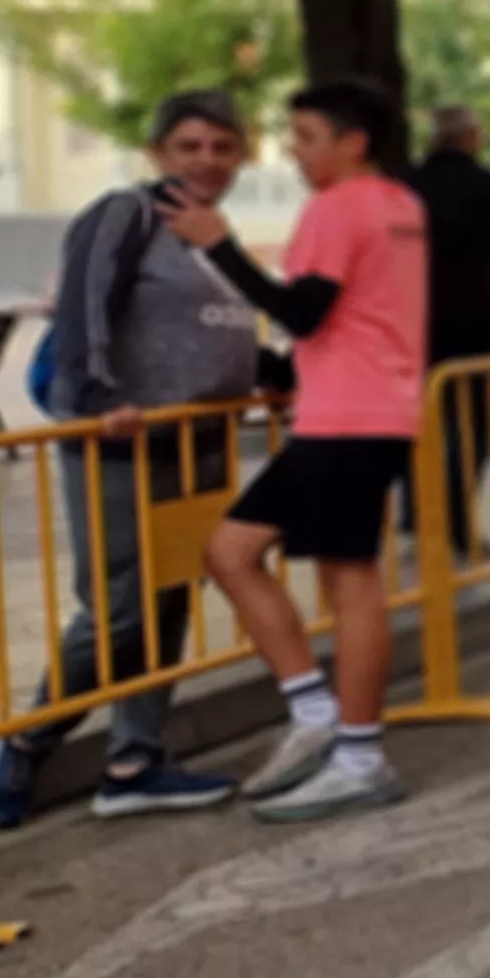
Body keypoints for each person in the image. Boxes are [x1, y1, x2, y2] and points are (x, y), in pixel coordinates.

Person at [0, 92, 272, 829]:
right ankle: (28, 741)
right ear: (158, 152)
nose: (207, 160)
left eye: (222, 147)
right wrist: (98, 396)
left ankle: (135, 760)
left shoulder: (211, 234)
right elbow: (84, 306)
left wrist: (275, 372)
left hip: (198, 437)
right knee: (118, 609)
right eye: (190, 146)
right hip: (123, 440)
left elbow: (215, 327)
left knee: (170, 595)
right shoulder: (124, 214)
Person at [166, 80, 430, 823]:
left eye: (307, 137)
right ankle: (314, 712)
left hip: (350, 417)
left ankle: (360, 757)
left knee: (351, 584)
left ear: (352, 142)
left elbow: (303, 310)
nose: (293, 150)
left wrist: (218, 245)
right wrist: (286, 371)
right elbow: (360, 315)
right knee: (231, 551)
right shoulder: (400, 206)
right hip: (356, 409)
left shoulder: (337, 207)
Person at [404, 106, 490, 561]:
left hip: (412, 321)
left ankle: (414, 518)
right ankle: (457, 523)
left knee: (415, 423)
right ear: (470, 138)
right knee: (472, 426)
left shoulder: (405, 185)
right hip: (476, 321)